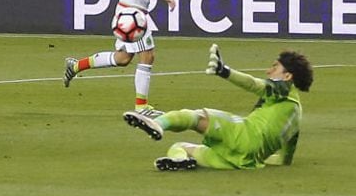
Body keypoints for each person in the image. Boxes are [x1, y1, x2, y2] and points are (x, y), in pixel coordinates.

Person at [123, 44, 313, 171]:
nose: (268, 71)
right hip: (244, 161)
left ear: (288, 77)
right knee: (180, 147)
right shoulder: (296, 116)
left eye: (275, 67)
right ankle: (180, 160)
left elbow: (255, 84)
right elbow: (284, 160)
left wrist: (224, 71)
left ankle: (157, 124)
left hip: (244, 135)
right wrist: (262, 158)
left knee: (194, 116)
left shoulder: (283, 89)